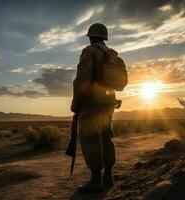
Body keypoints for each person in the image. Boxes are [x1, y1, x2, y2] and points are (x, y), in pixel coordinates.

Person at [71, 23, 122, 193]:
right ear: (105, 37)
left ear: (91, 37)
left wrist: (76, 103)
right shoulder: (112, 55)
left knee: (91, 138)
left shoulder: (89, 51)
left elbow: (82, 79)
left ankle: (95, 180)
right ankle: (108, 176)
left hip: (92, 103)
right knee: (106, 138)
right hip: (109, 103)